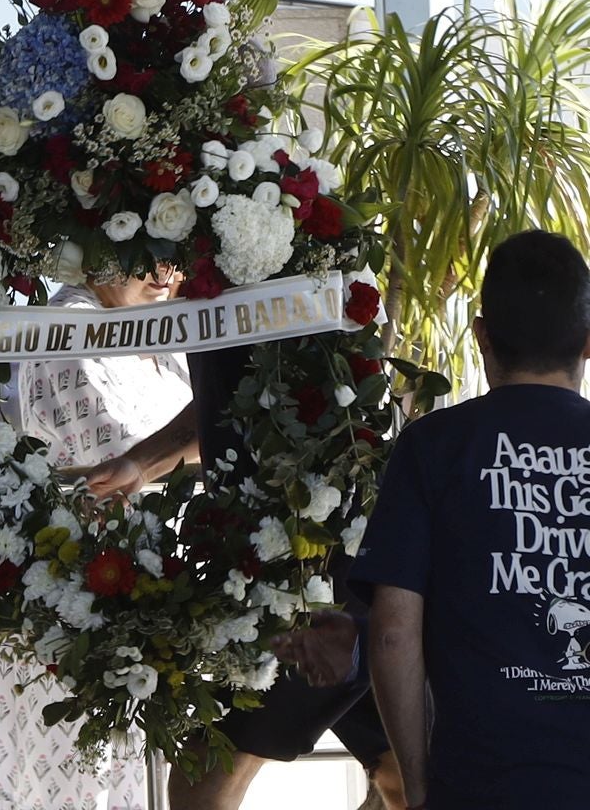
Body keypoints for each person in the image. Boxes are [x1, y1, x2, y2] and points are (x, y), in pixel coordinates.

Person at [85, 344, 404, 810]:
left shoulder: (278, 285)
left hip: (305, 565)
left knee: (205, 775)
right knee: (400, 768)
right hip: (309, 555)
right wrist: (143, 463)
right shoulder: (222, 292)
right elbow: (224, 396)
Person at [349, 229, 590, 809]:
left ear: (480, 335)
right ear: (588, 342)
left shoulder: (433, 446)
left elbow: (393, 632)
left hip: (480, 784)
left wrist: (418, 786)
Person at [0, 267, 199, 810]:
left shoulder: (158, 320)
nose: (164, 272)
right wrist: (186, 449)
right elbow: (123, 456)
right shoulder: (68, 328)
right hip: (86, 599)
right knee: (89, 781)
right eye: (147, 252)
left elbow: (211, 424)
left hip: (164, 593)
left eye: (174, 254)